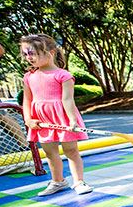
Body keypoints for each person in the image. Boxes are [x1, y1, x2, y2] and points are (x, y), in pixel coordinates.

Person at [20, 34, 92, 196]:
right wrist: (28, 119)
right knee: (50, 153)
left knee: (71, 151)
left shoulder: (63, 75)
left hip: (62, 116)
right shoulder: (28, 77)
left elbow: (67, 100)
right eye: (25, 54)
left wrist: (72, 120)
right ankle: (58, 181)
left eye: (32, 53)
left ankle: (79, 181)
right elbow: (27, 100)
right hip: (42, 119)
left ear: (50, 52)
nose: (28, 58)